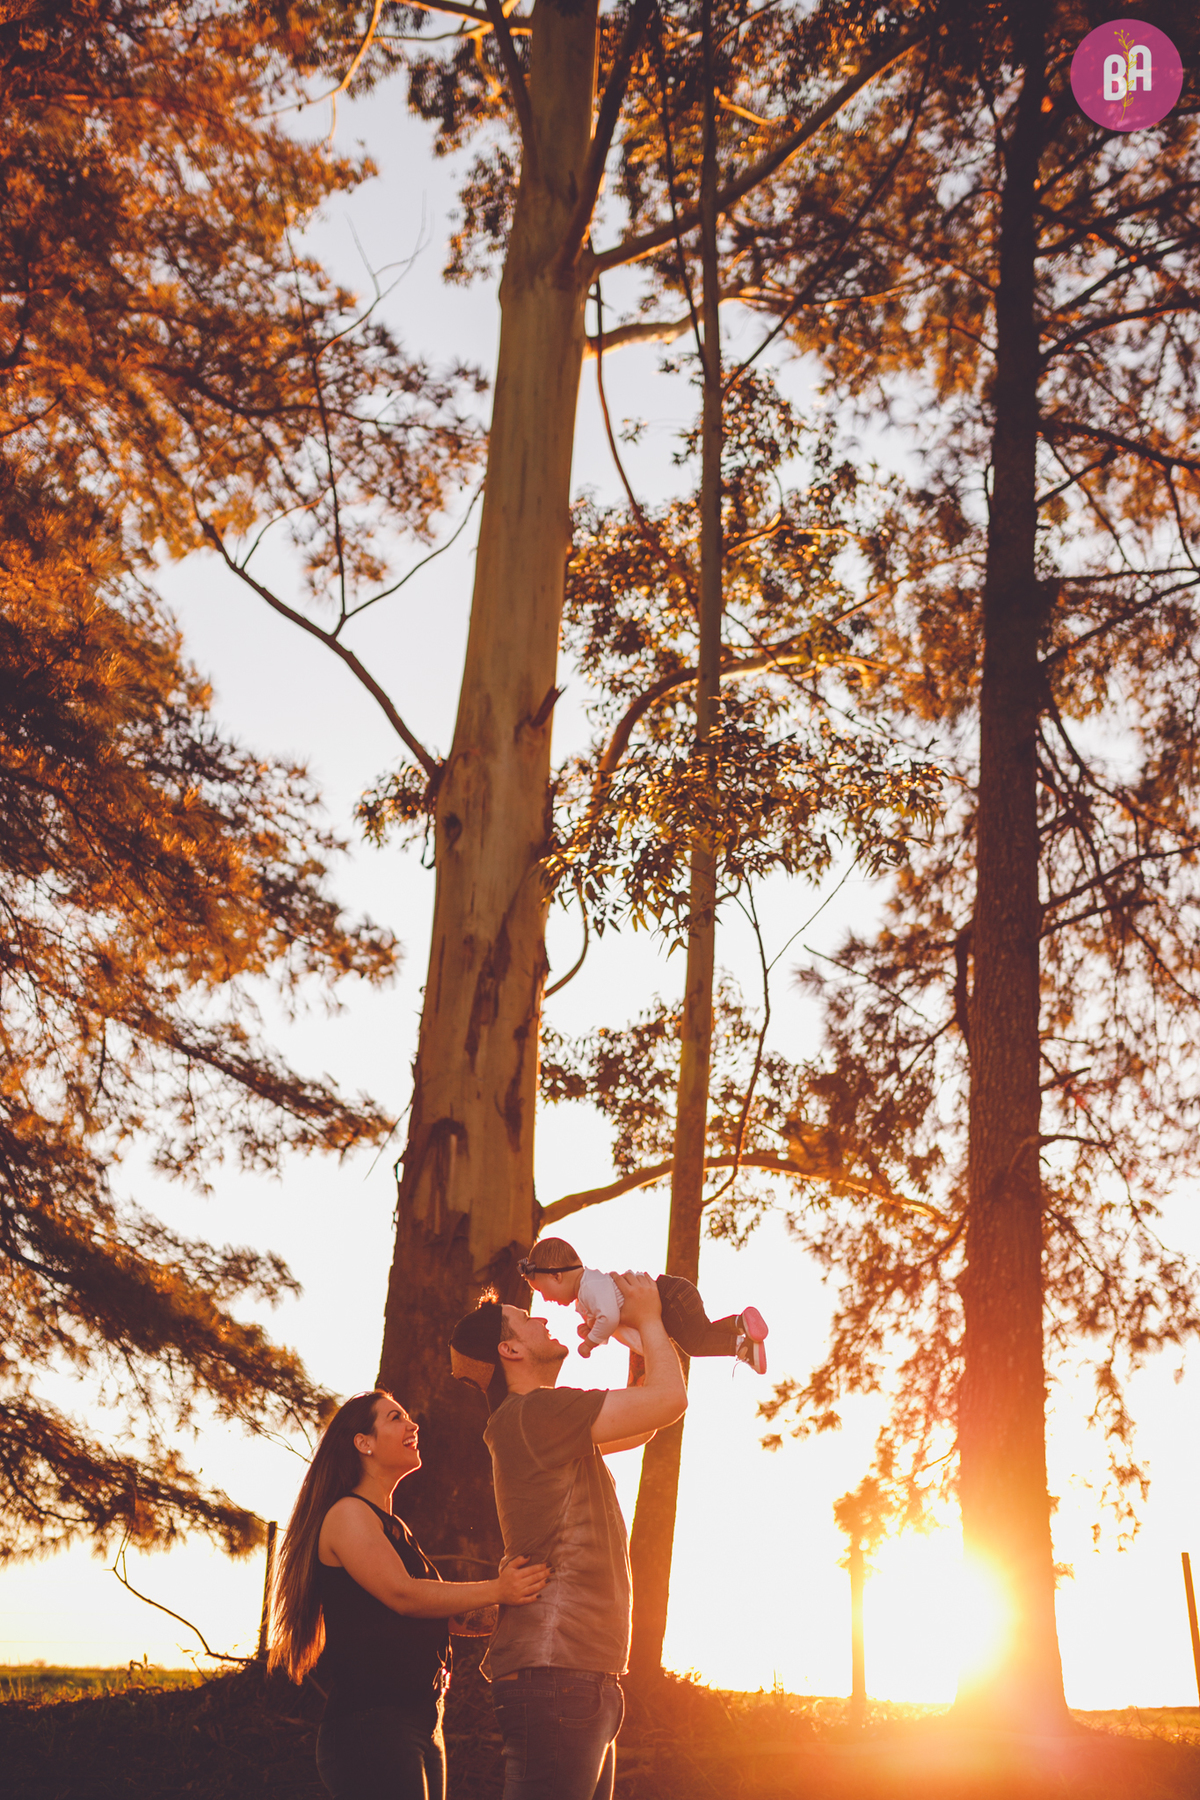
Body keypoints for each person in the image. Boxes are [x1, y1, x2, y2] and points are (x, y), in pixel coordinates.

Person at [449, 1271, 688, 1800]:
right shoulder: (536, 1415)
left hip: (574, 1677)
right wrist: (647, 1319)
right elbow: (669, 1401)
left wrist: (637, 1337)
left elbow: (643, 1420)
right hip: (558, 1675)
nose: (540, 1318)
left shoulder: (539, 1422)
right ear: (510, 1348)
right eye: (523, 1319)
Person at [269, 1388, 549, 1800]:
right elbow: (403, 1595)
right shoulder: (348, 1515)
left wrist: (517, 1600)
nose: (412, 1424)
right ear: (363, 1443)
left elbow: (448, 1617)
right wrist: (498, 1587)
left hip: (422, 1721)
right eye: (395, 1417)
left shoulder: (395, 1528)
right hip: (371, 1725)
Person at [518, 1234, 770, 1374]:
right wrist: (592, 1327)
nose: (545, 1299)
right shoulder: (588, 1290)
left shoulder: (589, 1286)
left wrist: (590, 1342)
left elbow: (610, 1319)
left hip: (669, 1299)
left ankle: (742, 1345)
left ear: (556, 1275)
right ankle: (740, 1322)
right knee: (702, 1332)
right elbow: (608, 1318)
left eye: (541, 1290)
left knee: (694, 1345)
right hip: (675, 1295)